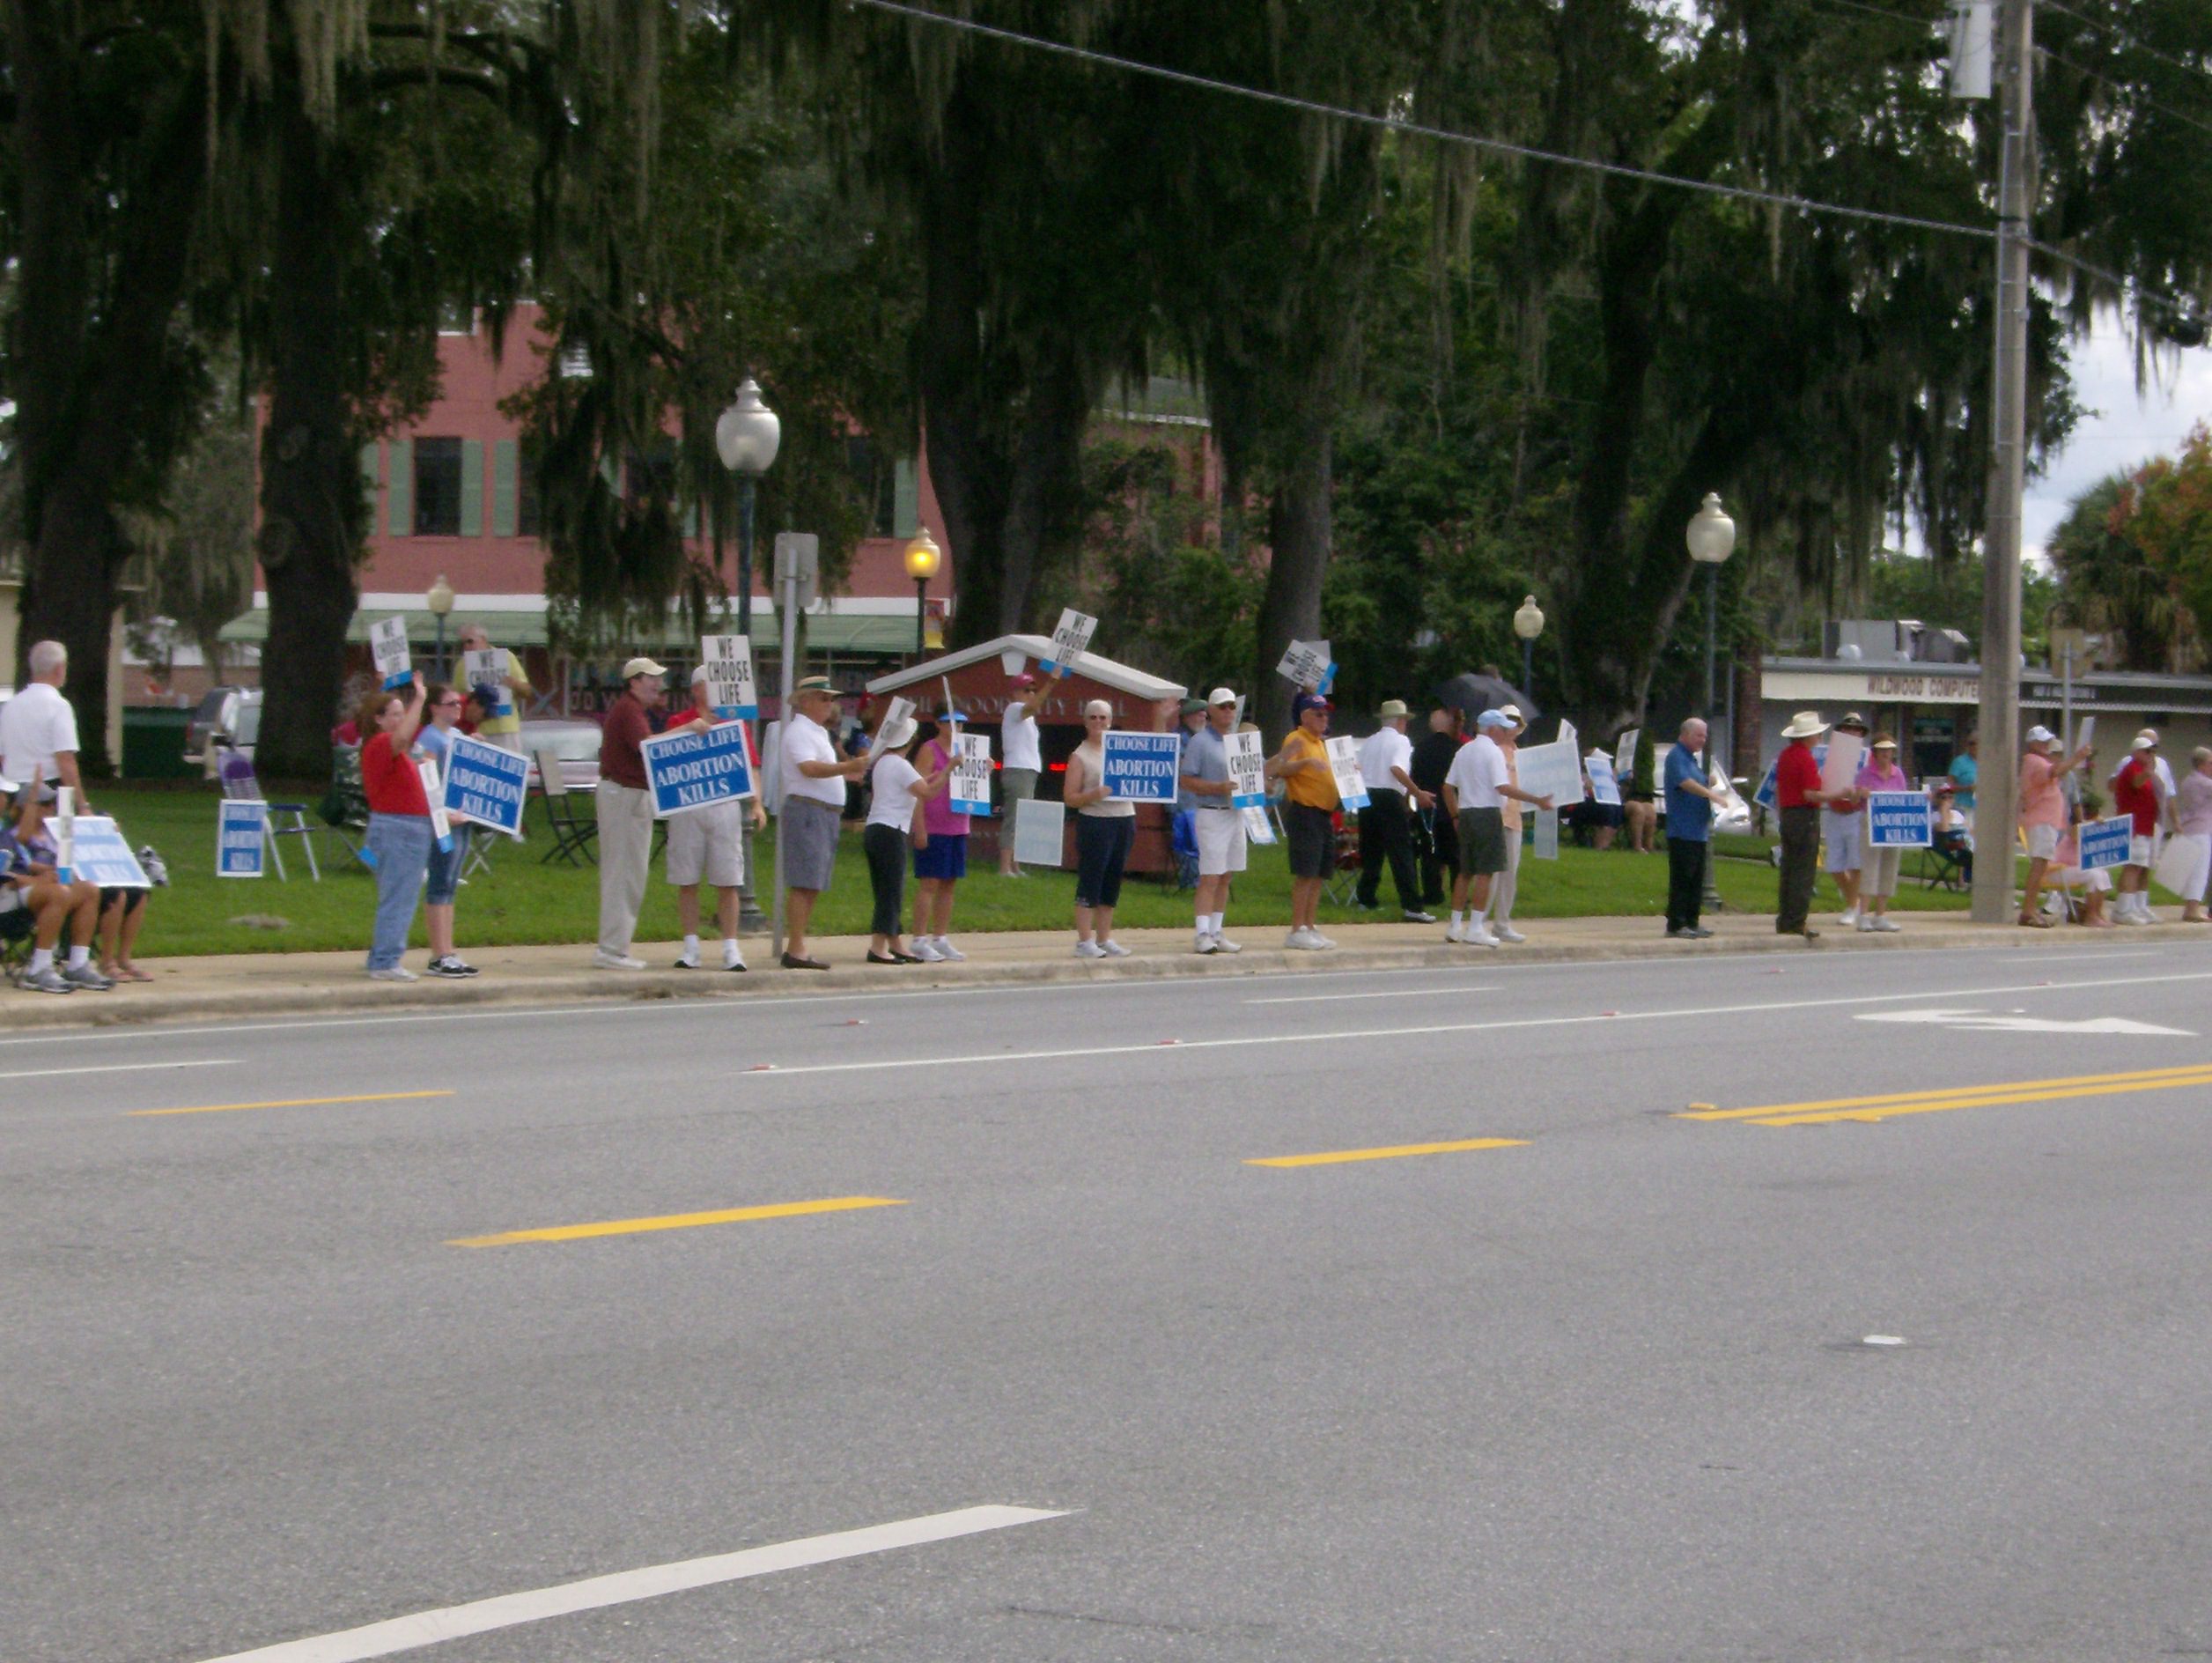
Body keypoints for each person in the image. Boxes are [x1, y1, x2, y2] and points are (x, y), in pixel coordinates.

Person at [663, 666, 763, 972]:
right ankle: (691, 946)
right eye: (710, 684)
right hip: (688, 807)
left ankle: (731, 947)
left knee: (728, 879)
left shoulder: (735, 724)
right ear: (696, 689)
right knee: (687, 879)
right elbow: (656, 746)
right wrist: (689, 728)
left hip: (724, 805)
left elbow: (751, 765)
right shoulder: (679, 721)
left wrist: (757, 803)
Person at [779, 674, 872, 969]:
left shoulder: (818, 732)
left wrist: (848, 774)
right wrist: (847, 766)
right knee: (804, 881)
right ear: (805, 701)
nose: (829, 704)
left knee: (814, 882)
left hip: (824, 812)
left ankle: (798, 945)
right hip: (808, 811)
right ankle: (795, 947)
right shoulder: (799, 732)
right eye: (823, 698)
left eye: (831, 699)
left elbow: (824, 769)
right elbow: (808, 768)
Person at [1442, 708, 1551, 947]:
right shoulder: (1493, 752)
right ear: (1492, 729)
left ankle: (1455, 925)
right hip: (1488, 813)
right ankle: (1476, 927)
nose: (1505, 732)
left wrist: (1455, 815)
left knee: (1465, 872)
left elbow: (1448, 787)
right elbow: (1502, 787)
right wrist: (1537, 800)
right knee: (1486, 872)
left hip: (1466, 812)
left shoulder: (1464, 750)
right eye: (1502, 728)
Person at [593, 657, 669, 970]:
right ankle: (612, 950)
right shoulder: (629, 710)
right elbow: (648, 747)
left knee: (629, 874)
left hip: (628, 795)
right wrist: (688, 730)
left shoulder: (631, 710)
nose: (658, 684)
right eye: (651, 678)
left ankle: (616, 946)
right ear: (634, 681)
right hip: (625, 796)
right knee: (624, 874)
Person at [358, 676, 435, 981]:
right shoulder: (381, 744)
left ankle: (382, 956)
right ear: (378, 720)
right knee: (399, 898)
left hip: (405, 828)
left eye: (403, 713)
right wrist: (420, 699)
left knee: (399, 895)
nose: (402, 720)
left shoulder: (396, 754)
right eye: (394, 714)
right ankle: (385, 961)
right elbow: (403, 737)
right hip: (399, 830)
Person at [1, 785, 109, 992]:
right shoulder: (10, 832)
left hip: (23, 888)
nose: (5, 799)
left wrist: (50, 873)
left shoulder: (4, 831)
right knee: (57, 893)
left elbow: (23, 861)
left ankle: (78, 964)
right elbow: (7, 876)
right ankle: (39, 969)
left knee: (89, 890)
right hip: (7, 894)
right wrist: (38, 881)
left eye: (5, 795)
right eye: (2, 794)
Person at [863, 711, 949, 964]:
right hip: (891, 830)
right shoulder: (901, 766)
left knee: (885, 888)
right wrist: (948, 770)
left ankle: (894, 942)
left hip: (875, 828)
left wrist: (929, 778)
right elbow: (928, 793)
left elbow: (914, 785)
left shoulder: (883, 762)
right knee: (891, 890)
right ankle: (878, 946)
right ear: (910, 741)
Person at [413, 684, 480, 977]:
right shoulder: (430, 738)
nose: (457, 707)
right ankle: (439, 954)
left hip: (461, 818)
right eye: (450, 703)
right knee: (440, 883)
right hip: (442, 821)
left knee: (451, 883)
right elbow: (426, 778)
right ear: (435, 708)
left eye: (459, 703)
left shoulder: (457, 736)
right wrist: (441, 812)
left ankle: (449, 950)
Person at [1064, 698, 1139, 957]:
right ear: (1085, 722)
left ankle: (1104, 938)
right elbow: (1070, 797)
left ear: (1111, 721)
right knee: (1092, 878)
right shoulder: (1079, 756)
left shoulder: (1121, 750)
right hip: (1095, 821)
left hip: (1124, 818)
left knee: (1112, 879)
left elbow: (1154, 756)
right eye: (1093, 717)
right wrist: (1094, 794)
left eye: (1103, 717)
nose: (1098, 722)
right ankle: (1085, 941)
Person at [1267, 691, 1339, 950]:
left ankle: (1310, 925)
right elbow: (1281, 769)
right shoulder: (1296, 739)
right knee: (1306, 872)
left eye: (1326, 714)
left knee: (1319, 873)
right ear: (1305, 716)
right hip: (1305, 811)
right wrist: (1305, 762)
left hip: (1324, 814)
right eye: (1318, 714)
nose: (1324, 718)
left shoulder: (1321, 743)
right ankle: (1297, 928)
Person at [1177, 688, 1246, 954]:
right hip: (1211, 811)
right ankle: (1202, 932)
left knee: (1226, 874)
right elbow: (1186, 780)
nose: (1228, 711)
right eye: (1222, 706)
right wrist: (1218, 787)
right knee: (1210, 876)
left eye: (1231, 706)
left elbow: (1257, 772)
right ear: (1211, 711)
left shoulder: (1239, 741)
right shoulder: (1201, 742)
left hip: (1235, 812)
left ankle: (1217, 930)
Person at [1353, 698, 1434, 922]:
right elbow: (1396, 768)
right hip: (1388, 796)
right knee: (1401, 852)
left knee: (1371, 850)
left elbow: (1357, 767)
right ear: (1400, 721)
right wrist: (1417, 792)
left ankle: (1366, 897)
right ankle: (1412, 905)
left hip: (1367, 796)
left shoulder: (1370, 742)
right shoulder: (1401, 741)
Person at [911, 709, 977, 961]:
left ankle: (940, 937)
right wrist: (920, 827)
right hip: (934, 824)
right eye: (950, 723)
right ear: (938, 724)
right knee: (929, 883)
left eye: (960, 723)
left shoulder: (966, 750)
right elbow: (918, 788)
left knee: (949, 883)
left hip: (958, 823)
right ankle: (919, 938)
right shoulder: (929, 750)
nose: (956, 728)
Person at [0, 639, 91, 814]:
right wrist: (82, 805)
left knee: (16, 831)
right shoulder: (59, 706)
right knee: (58, 832)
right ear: (59, 668)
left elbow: (3, 756)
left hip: (13, 791)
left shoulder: (10, 706)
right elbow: (65, 759)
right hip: (49, 792)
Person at [2017, 723, 2091, 928]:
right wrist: (2078, 757)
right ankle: (2028, 911)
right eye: (2042, 741)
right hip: (2041, 821)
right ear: (2032, 743)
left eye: (2047, 740)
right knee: (2039, 865)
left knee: (2041, 865)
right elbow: (2055, 771)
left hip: (2046, 822)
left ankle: (2030, 909)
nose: (2046, 744)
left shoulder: (2037, 761)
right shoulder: (2034, 761)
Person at [1773, 710, 1837, 939]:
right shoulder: (1805, 758)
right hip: (1805, 816)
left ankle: (1785, 918)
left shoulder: (1785, 756)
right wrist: (1836, 795)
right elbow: (1810, 794)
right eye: (1817, 734)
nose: (1819, 738)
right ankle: (1797, 920)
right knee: (1803, 871)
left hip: (1788, 815)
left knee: (1789, 869)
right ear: (1808, 736)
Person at [1663, 718, 1726, 938]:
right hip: (1683, 830)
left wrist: (1709, 780)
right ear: (1686, 734)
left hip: (1698, 831)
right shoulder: (1676, 757)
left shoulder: (1691, 759)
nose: (1703, 740)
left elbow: (1696, 780)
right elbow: (1685, 783)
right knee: (1683, 878)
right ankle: (1676, 923)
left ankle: (1692, 920)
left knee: (1696, 880)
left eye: (1705, 736)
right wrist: (1711, 795)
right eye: (1699, 735)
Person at [999, 667, 1061, 874]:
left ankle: (1015, 865)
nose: (1032, 694)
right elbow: (1032, 707)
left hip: (1027, 770)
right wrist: (1050, 683)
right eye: (1027, 690)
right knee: (1014, 818)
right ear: (1016, 692)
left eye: (1033, 690)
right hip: (1018, 769)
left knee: (1023, 819)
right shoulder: (1014, 708)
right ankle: (1004, 867)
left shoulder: (1027, 718)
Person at [1851, 735, 1911, 932]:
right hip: (1871, 822)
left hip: (1892, 824)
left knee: (1889, 868)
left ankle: (1880, 915)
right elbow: (1853, 800)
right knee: (1870, 867)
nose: (1886, 754)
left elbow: (1904, 800)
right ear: (1874, 753)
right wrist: (1860, 793)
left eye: (1889, 750)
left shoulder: (1897, 773)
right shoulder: (1865, 773)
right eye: (1882, 750)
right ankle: (1863, 915)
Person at [1411, 704, 1464, 907]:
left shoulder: (1421, 748)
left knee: (1430, 854)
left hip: (1428, 805)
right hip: (1452, 806)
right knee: (1456, 855)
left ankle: (1433, 894)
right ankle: (1458, 893)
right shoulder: (1457, 749)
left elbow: (1414, 776)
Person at [1486, 706, 1530, 942]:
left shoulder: (1519, 753)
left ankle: (1502, 923)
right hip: (1496, 815)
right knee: (1492, 872)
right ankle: (1480, 920)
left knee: (1510, 873)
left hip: (1515, 815)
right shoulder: (1494, 751)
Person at [2111, 732, 2164, 923]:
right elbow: (2136, 782)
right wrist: (2149, 771)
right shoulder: (2132, 768)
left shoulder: (2144, 770)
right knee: (2132, 867)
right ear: (2137, 752)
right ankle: (2122, 910)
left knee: (2140, 867)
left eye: (2153, 752)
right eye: (2147, 751)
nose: (2151, 755)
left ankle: (2133, 906)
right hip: (2134, 827)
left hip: (2145, 826)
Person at [1824, 712, 1870, 927]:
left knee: (1855, 863)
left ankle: (1852, 906)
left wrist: (1861, 792)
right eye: (1848, 728)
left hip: (1856, 813)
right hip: (1834, 812)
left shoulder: (1868, 757)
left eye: (1856, 729)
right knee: (1834, 864)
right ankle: (1855, 901)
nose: (1852, 732)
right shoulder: (1831, 755)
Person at [455, 623, 532, 751]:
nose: (466, 647)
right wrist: (468, 702)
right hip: (477, 731)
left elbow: (527, 692)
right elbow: (456, 700)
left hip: (505, 728)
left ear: (483, 640)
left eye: (470, 641)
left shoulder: (506, 658)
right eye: (462, 643)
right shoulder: (462, 665)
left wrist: (514, 684)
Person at [2173, 747, 2212, 924]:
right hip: (2201, 830)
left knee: (2193, 870)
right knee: (2199, 871)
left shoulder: (2188, 781)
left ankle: (2191, 908)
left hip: (2189, 828)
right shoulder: (2204, 783)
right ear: (2202, 764)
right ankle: (2192, 909)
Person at [1932, 781, 1973, 885]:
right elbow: (1944, 831)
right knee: (1964, 847)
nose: (1947, 800)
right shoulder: (1935, 816)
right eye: (1943, 797)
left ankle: (1968, 879)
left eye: (1950, 797)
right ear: (1938, 799)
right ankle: (1965, 879)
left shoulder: (1957, 814)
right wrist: (1944, 811)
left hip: (1966, 843)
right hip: (1949, 846)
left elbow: (1969, 830)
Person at [1624, 733, 1659, 854]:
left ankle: (1649, 846)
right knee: (1638, 809)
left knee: (1650, 809)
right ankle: (1637, 846)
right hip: (1620, 799)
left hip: (1630, 796)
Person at [1948, 731, 1979, 814]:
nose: (1974, 746)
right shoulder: (1959, 762)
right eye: (1971, 744)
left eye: (1977, 743)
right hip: (1963, 806)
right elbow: (1949, 786)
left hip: (1983, 806)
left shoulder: (1988, 762)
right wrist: (1967, 788)